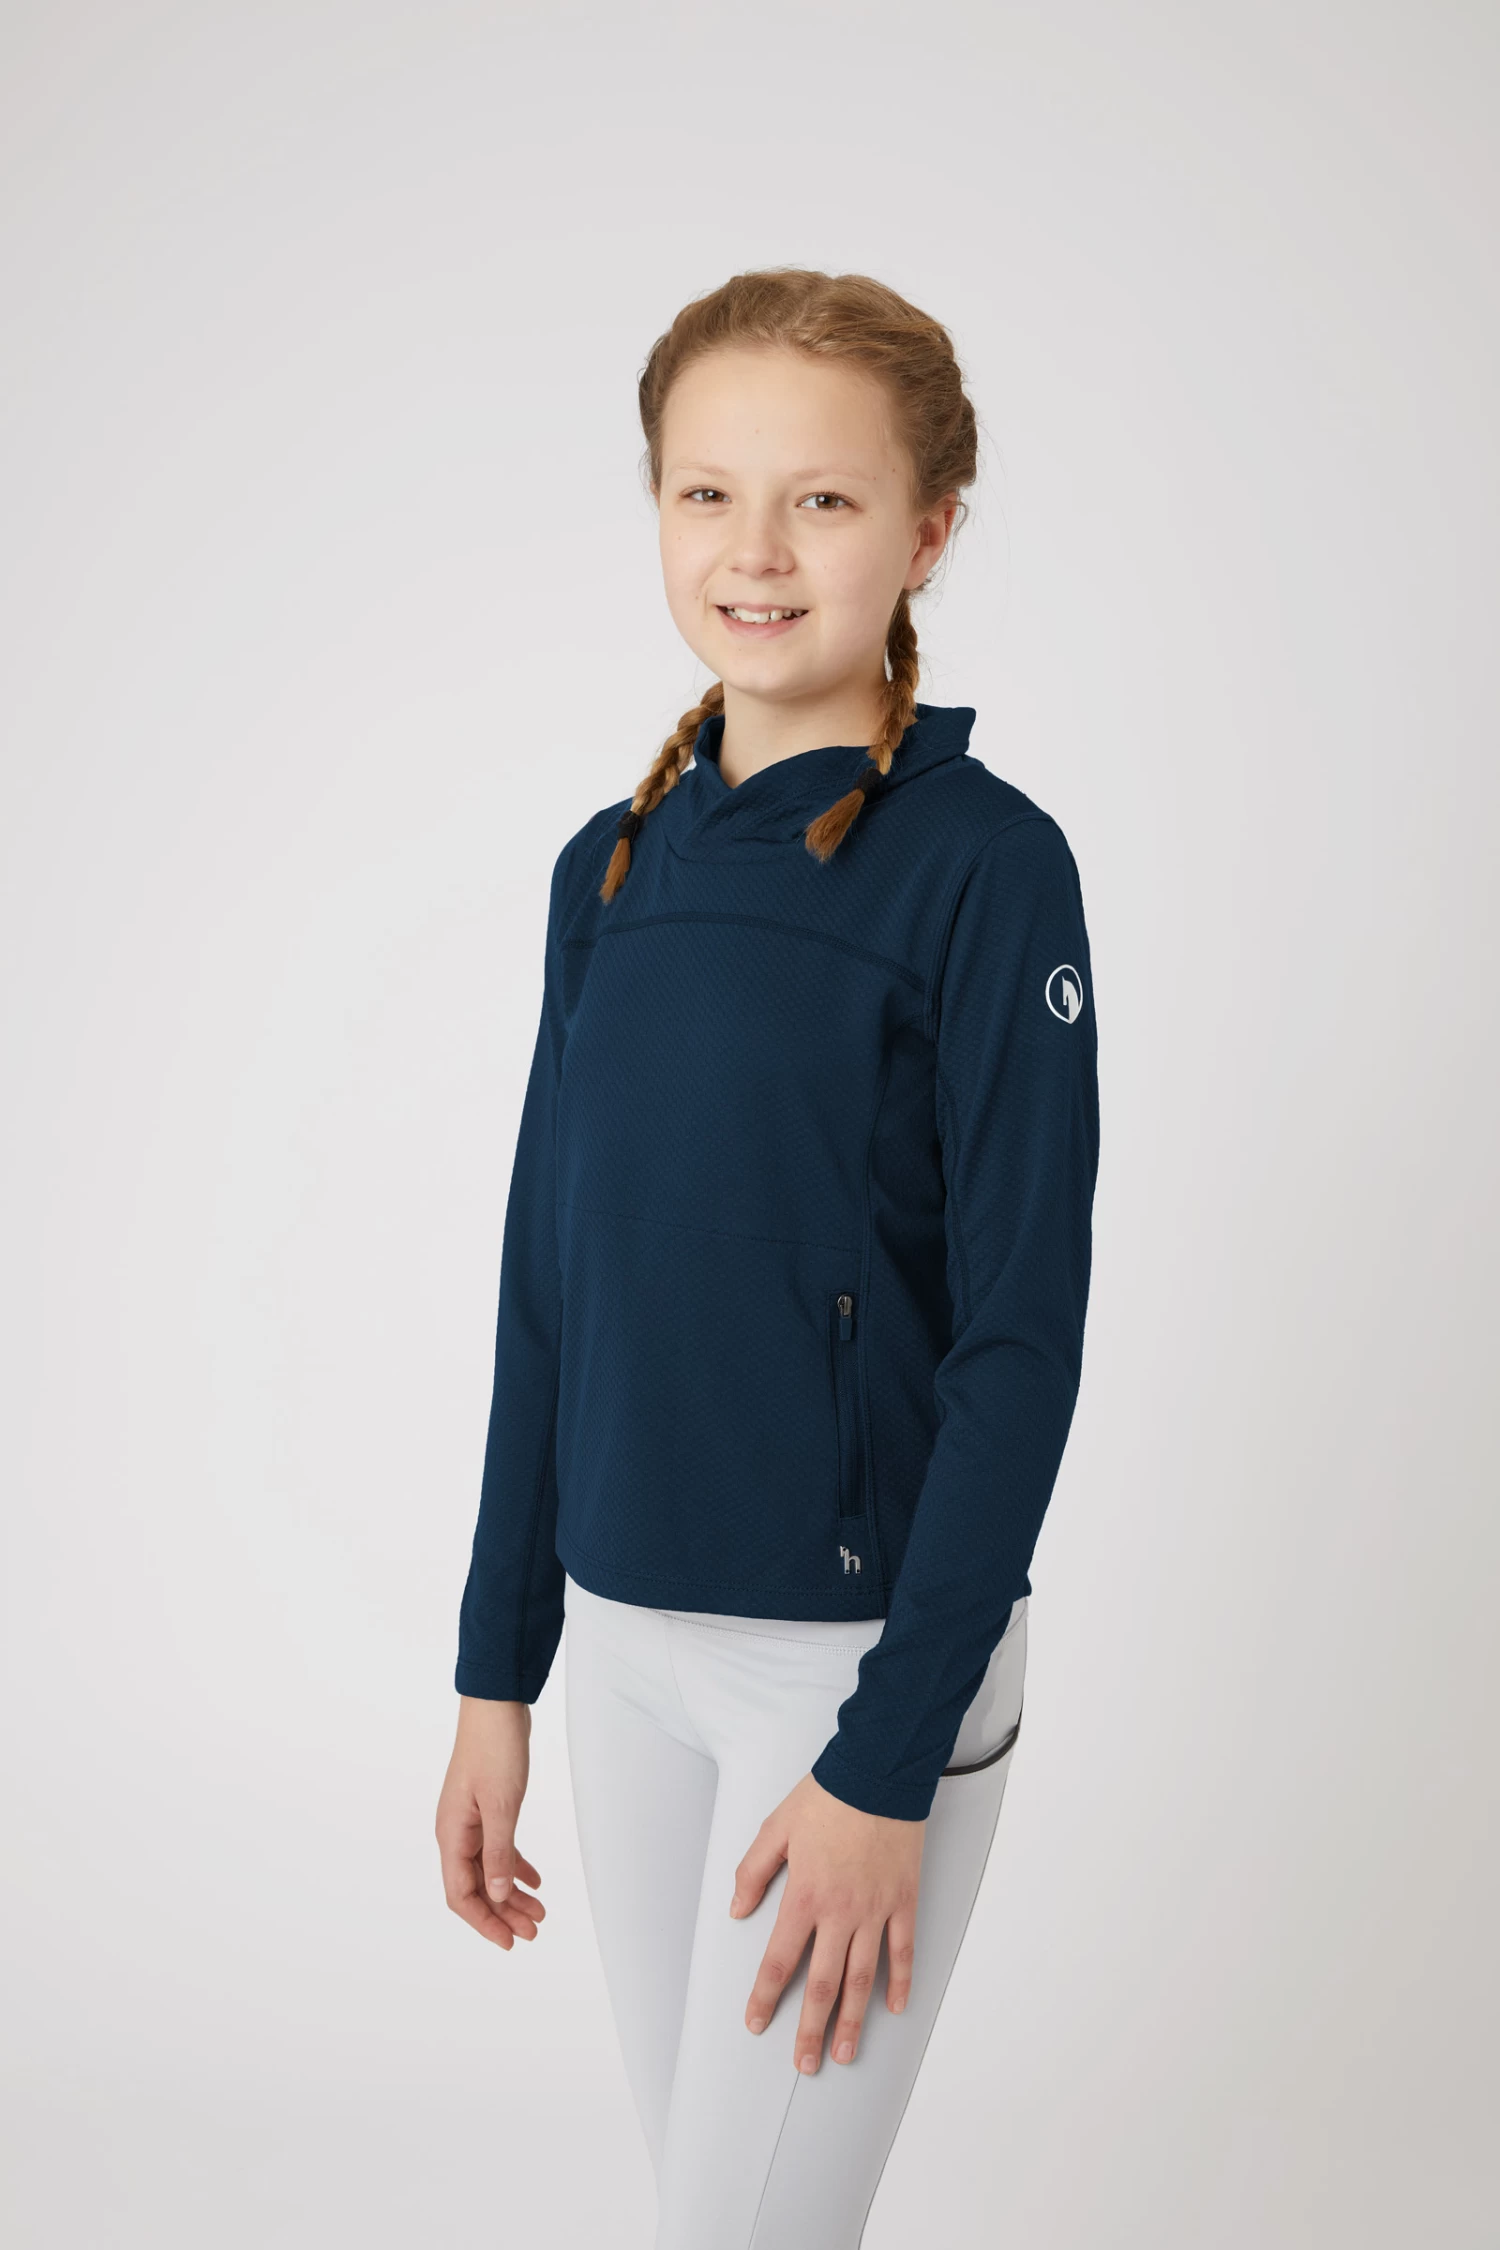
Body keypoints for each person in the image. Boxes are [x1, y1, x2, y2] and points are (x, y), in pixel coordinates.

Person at [435, 267, 1100, 2249]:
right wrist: (496, 1675)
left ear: (928, 531)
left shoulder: (986, 867)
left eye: (822, 499)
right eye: (707, 493)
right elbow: (548, 1286)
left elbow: (1018, 1342)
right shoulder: (608, 870)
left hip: (852, 1675)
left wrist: (889, 1760)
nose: (757, 549)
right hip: (626, 1659)